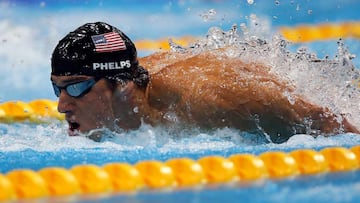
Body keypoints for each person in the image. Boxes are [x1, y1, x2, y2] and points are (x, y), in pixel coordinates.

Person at [50, 22, 359, 143]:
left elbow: (326, 121)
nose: (62, 105)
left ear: (121, 83)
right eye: (58, 88)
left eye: (76, 87)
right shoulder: (115, 112)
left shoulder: (208, 100)